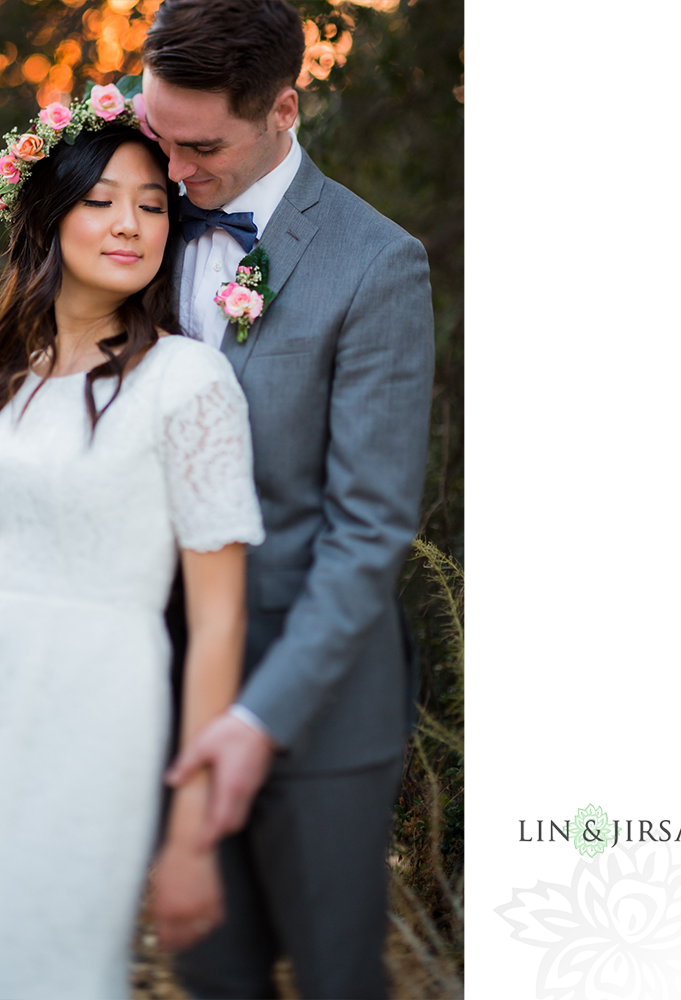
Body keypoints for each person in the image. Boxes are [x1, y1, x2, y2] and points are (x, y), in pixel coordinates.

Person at [0, 89, 264, 999]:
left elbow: (217, 625)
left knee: (56, 956)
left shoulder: (189, 380)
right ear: (50, 218)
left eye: (152, 203)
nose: (130, 224)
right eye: (100, 201)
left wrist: (190, 827)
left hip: (103, 706)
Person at [139, 2, 436, 997]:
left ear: (283, 109)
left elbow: (368, 533)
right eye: (157, 138)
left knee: (335, 978)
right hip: (165, 690)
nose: (175, 174)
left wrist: (259, 719)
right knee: (212, 979)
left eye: (203, 146)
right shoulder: (133, 225)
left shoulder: (376, 264)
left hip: (317, 714)